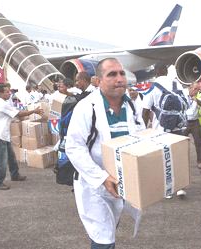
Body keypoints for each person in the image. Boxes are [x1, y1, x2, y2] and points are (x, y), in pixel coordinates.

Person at [65, 58, 145, 249]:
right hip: (94, 186)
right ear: (98, 80)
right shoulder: (86, 107)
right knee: (103, 238)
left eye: (121, 73)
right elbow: (74, 147)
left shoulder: (131, 106)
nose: (119, 79)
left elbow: (141, 138)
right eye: (112, 74)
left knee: (111, 227)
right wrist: (101, 178)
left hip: (121, 183)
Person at [141, 64, 187, 197]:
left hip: (160, 129)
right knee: (177, 157)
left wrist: (144, 129)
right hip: (178, 126)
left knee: (163, 159)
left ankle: (167, 190)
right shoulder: (176, 84)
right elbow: (185, 104)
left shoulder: (153, 86)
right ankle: (181, 188)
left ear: (156, 72)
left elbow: (145, 110)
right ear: (167, 71)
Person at [0, 83, 43, 190]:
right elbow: (18, 114)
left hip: (4, 134)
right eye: (7, 91)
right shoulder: (1, 104)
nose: (9, 93)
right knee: (2, 160)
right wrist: (34, 111)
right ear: (0, 93)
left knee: (11, 156)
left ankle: (15, 175)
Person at [183, 82, 201, 169]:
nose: (197, 91)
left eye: (198, 89)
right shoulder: (183, 95)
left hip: (195, 122)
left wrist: (196, 99)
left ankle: (200, 161)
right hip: (185, 122)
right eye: (195, 89)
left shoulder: (199, 96)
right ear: (190, 88)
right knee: (182, 142)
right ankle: (182, 160)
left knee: (198, 142)